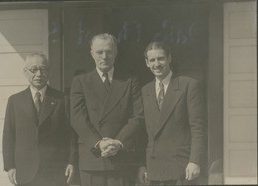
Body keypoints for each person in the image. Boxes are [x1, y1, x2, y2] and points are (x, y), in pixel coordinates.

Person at [70, 33, 144, 186]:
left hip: (121, 158)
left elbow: (137, 116)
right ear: (91, 54)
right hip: (93, 158)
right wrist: (99, 143)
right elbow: (77, 118)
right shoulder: (81, 81)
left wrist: (118, 142)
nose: (104, 56)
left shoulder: (130, 81)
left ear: (116, 52)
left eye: (109, 52)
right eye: (99, 52)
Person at [2, 53, 76, 186]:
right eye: (33, 69)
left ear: (50, 72)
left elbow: (71, 135)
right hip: (25, 170)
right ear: (25, 72)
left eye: (43, 69)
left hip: (56, 170)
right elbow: (8, 135)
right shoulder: (15, 101)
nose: (39, 74)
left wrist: (71, 162)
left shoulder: (62, 99)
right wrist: (9, 165)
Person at [138, 42, 205, 185]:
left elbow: (198, 128)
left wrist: (194, 160)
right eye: (152, 60)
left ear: (169, 58)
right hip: (154, 168)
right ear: (147, 63)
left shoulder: (188, 85)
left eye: (161, 58)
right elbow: (143, 132)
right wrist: (142, 164)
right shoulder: (145, 91)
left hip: (182, 167)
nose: (157, 64)